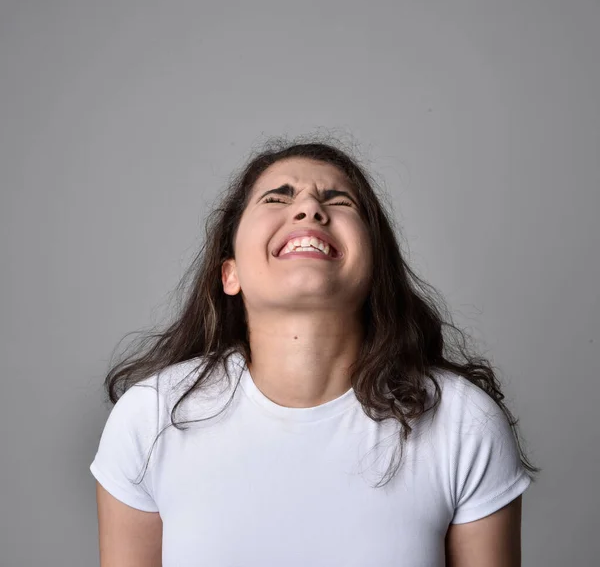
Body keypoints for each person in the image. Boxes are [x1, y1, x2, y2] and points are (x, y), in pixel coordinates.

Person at [90, 139, 538, 566]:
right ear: (230, 274)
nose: (309, 208)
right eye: (277, 199)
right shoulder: (148, 420)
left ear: (374, 266)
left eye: (340, 201)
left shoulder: (463, 423)